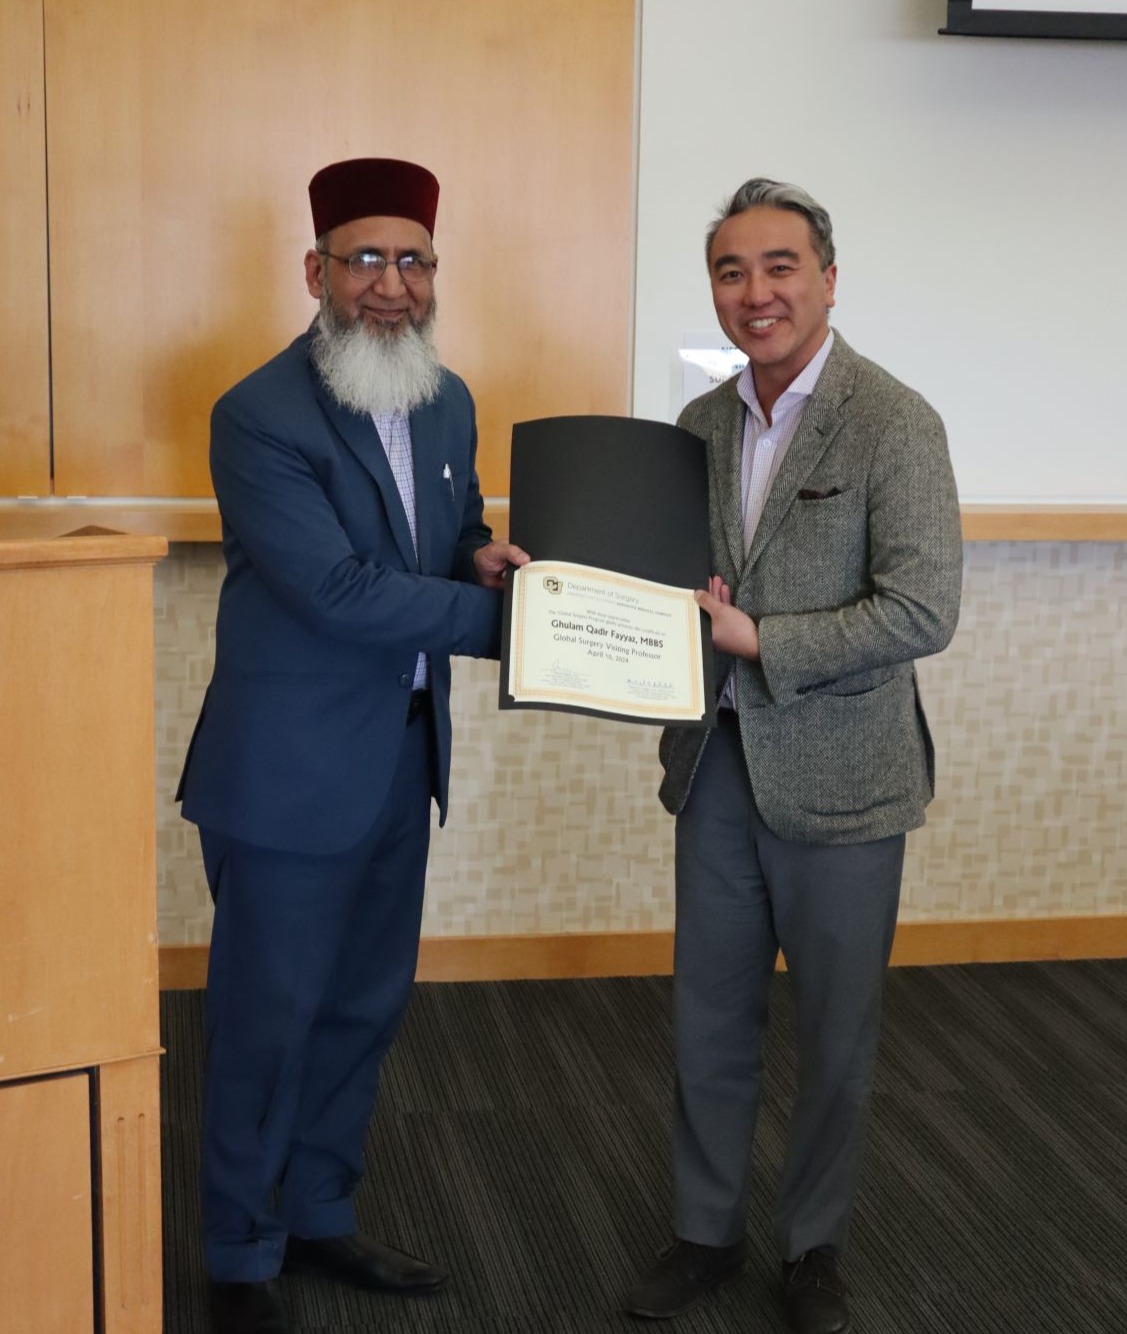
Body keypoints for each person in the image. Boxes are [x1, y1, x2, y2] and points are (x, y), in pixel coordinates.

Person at [177, 156, 528, 1334]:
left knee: (363, 1006)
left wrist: (487, 560)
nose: (392, 284)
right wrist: (524, 630)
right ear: (316, 269)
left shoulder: (448, 398)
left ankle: (320, 1210)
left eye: (414, 259)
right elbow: (335, 588)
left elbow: (454, 532)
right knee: (265, 1015)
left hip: (399, 755)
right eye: (367, 258)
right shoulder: (258, 413)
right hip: (288, 774)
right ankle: (237, 1249)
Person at [623, 179, 963, 1334]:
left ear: (825, 275)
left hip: (845, 776)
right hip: (715, 764)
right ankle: (703, 1229)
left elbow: (921, 609)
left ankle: (813, 1246)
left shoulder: (892, 420)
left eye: (778, 266)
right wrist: (558, 583)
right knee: (708, 1019)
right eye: (731, 271)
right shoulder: (699, 426)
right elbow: (668, 584)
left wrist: (762, 638)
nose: (754, 292)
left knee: (834, 1034)